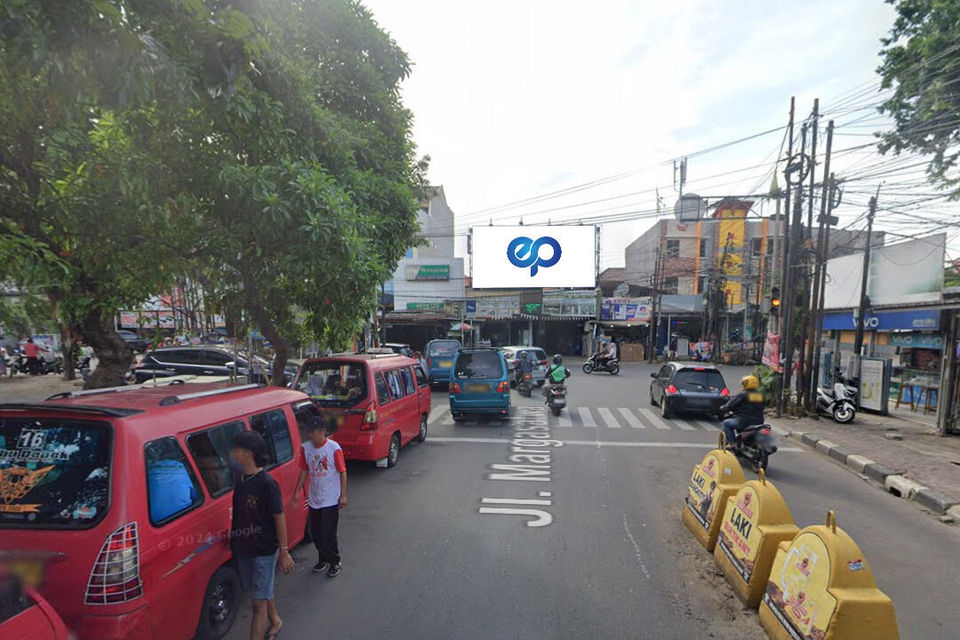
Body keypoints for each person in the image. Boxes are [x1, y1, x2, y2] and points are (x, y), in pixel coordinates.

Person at [229, 431, 294, 640]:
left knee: (257, 604)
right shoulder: (239, 480)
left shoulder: (267, 484)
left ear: (248, 454)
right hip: (244, 549)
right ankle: (275, 620)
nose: (232, 454)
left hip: (264, 550)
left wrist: (284, 551)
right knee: (261, 590)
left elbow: (279, 517)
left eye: (236, 450)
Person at [292, 413, 347, 578]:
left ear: (322, 431)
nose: (310, 435)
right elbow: (304, 470)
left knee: (328, 533)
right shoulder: (306, 448)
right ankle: (322, 559)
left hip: (330, 499)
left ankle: (335, 561)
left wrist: (343, 495)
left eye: (313, 431)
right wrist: (297, 492)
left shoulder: (334, 448)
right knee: (315, 533)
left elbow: (342, 471)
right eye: (309, 432)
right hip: (314, 499)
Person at [720, 375, 766, 449]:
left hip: (743, 421)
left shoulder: (742, 395)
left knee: (726, 424)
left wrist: (722, 408)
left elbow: (729, 405)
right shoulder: (761, 395)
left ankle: (732, 444)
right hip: (759, 422)